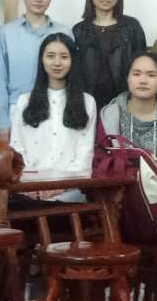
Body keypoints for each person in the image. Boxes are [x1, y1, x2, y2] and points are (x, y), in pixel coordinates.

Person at [9, 32, 97, 203]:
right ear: (41, 60)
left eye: (64, 57)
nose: (57, 63)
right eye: (50, 56)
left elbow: (85, 153)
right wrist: (31, 185)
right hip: (29, 189)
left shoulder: (87, 102)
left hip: (70, 189)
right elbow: (17, 148)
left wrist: (60, 186)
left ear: (73, 61)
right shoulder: (24, 101)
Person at [0, 0, 72, 141]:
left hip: (56, 110)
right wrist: (2, 123)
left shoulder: (64, 32)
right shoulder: (6, 33)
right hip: (17, 111)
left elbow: (72, 77)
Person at [98, 51, 157, 184]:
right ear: (127, 78)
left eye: (151, 75)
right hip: (118, 187)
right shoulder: (110, 114)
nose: (143, 80)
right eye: (136, 74)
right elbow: (101, 159)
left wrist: (150, 180)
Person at [72, 0, 147, 111]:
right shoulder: (79, 30)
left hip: (126, 104)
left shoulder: (132, 27)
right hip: (87, 104)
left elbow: (143, 66)